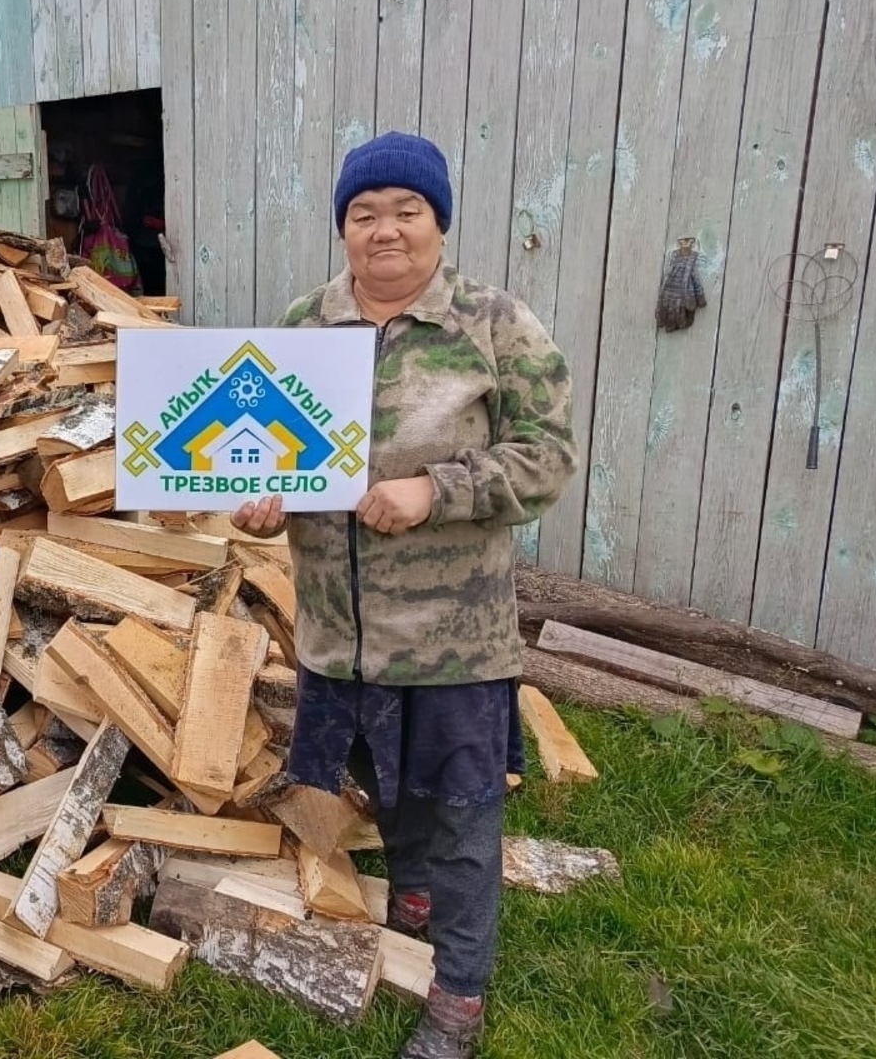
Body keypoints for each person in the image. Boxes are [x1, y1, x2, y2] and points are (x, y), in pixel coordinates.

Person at [231, 132, 578, 1059]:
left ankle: (458, 994)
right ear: (344, 228)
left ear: (438, 221)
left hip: (452, 634)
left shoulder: (494, 325)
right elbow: (263, 447)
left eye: (405, 211)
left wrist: (439, 490)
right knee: (383, 781)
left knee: (464, 806)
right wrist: (258, 503)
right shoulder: (305, 325)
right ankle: (413, 896)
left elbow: (549, 459)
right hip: (341, 630)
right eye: (363, 213)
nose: (384, 230)